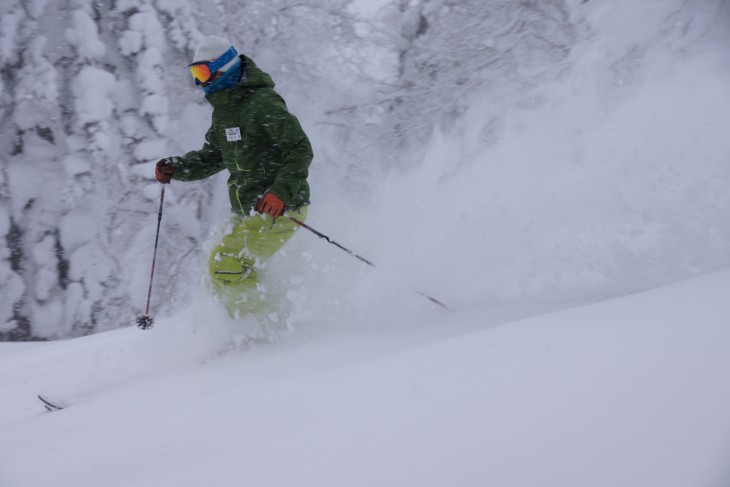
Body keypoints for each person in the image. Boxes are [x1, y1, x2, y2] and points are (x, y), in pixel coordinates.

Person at [155, 35, 312, 325]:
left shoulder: (262, 104)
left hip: (279, 208)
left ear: (224, 67)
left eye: (203, 72)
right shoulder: (226, 112)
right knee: (218, 273)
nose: (199, 82)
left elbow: (299, 148)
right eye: (195, 74)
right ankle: (244, 329)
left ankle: (265, 331)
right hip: (249, 210)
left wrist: (280, 193)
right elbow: (213, 156)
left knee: (225, 264)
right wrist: (177, 168)